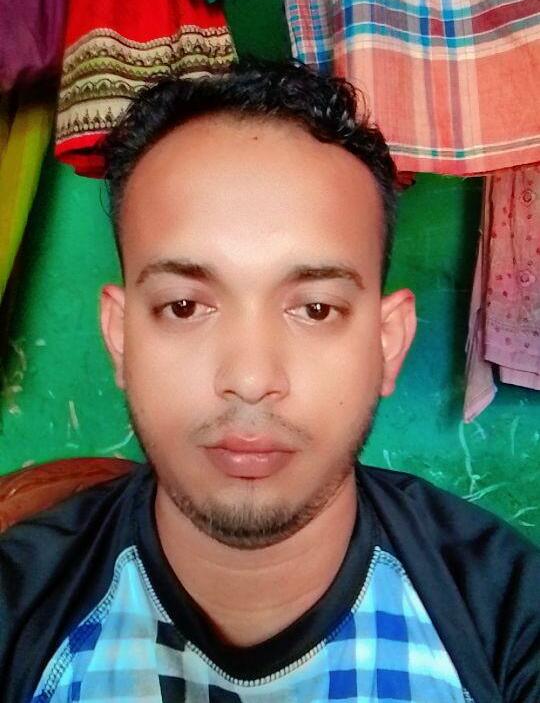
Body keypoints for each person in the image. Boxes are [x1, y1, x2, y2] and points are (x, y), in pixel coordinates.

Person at [0, 59, 538, 703]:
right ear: (120, 337)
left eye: (316, 309)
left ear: (387, 344)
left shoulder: (508, 615)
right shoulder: (19, 604)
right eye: (184, 307)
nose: (251, 379)